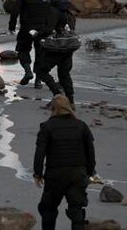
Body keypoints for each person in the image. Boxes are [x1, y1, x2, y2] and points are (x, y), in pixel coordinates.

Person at [33, 94, 96, 230]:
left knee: (48, 209)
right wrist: (90, 172)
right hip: (78, 174)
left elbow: (40, 152)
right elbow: (90, 151)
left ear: (53, 108)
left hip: (55, 174)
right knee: (77, 209)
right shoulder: (81, 126)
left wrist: (37, 173)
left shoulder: (47, 127)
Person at [8, 0, 54, 87]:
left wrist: (12, 26)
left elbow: (15, 11)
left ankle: (28, 71)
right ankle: (38, 81)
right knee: (41, 54)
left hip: (26, 29)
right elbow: (56, 9)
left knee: (22, 50)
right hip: (43, 30)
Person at [35, 0, 80, 105]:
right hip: (68, 48)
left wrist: (37, 35)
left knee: (41, 71)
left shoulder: (54, 11)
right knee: (64, 74)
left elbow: (49, 30)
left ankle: (57, 92)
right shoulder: (70, 15)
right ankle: (71, 101)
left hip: (56, 48)